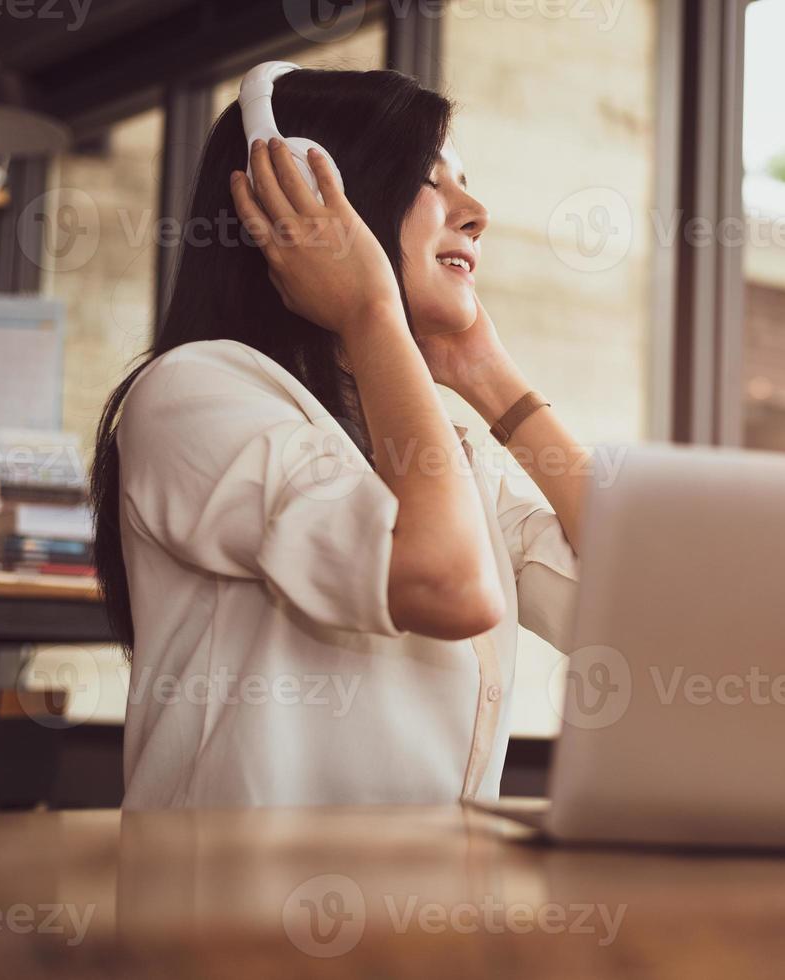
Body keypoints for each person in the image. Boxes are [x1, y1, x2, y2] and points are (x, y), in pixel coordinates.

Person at [88, 68, 586, 808]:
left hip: (432, 913)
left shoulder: (444, 455)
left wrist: (492, 380)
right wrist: (374, 312)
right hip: (234, 915)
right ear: (304, 204)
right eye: (431, 180)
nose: (477, 212)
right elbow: (447, 583)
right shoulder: (195, 394)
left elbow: (656, 610)